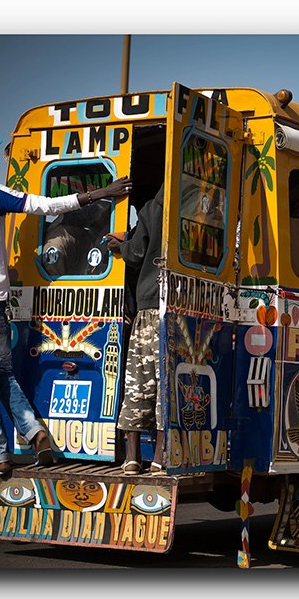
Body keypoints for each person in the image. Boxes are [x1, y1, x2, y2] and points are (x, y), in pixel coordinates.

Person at [0, 131, 131, 477]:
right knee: (1, 376)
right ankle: (32, 437)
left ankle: (6, 452)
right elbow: (48, 206)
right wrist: (103, 194)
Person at [105, 185, 165, 475]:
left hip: (149, 309)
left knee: (140, 382)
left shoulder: (153, 208)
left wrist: (121, 247)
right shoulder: (198, 207)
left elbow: (138, 253)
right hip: (182, 310)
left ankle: (132, 458)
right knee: (169, 385)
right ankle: (160, 458)